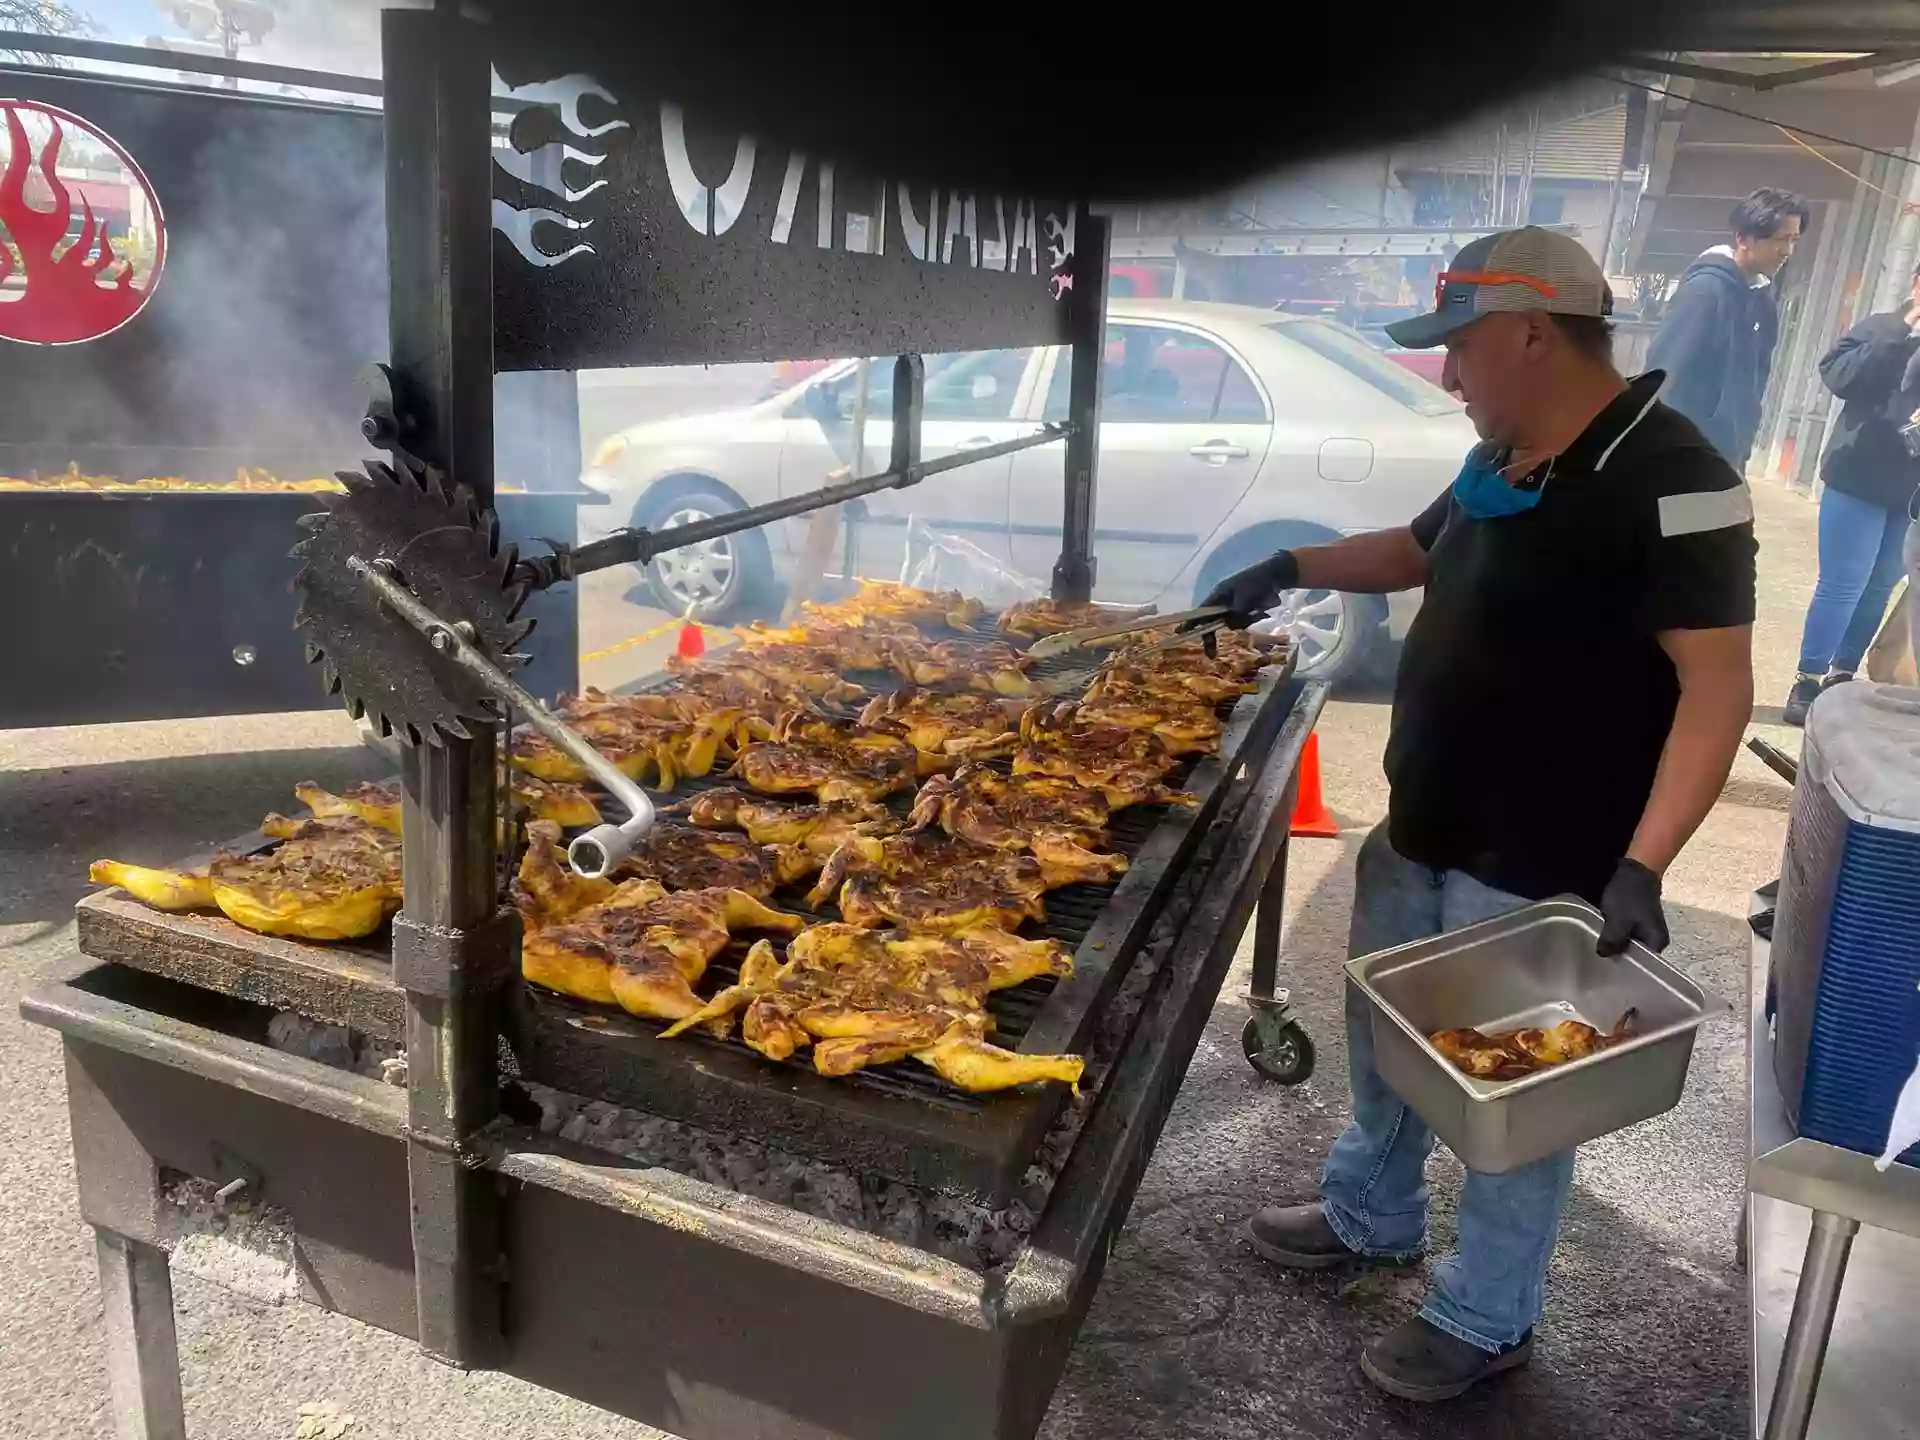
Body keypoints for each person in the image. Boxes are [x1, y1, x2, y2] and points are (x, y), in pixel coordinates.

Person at [1201, 228, 1756, 1402]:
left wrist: (1648, 864)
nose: (1447, 377)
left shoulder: (1682, 479)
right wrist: (1288, 563)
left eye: (1458, 350)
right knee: (1383, 1045)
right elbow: (1414, 551)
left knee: (1511, 1099)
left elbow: (1718, 687)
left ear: (1529, 334)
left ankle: (1486, 1312)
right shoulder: (1507, 457)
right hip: (1425, 821)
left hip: (1543, 860)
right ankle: (1371, 1214)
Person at [1781, 268, 1920, 723]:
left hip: (1910, 490)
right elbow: (1839, 376)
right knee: (1842, 584)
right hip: (1856, 476)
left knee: (1879, 587)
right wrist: (1906, 325)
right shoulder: (1881, 328)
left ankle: (1842, 674)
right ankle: (1807, 678)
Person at [1647, 187, 1808, 470]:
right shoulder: (1704, 293)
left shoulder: (1763, 303)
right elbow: (1664, 380)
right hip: (1683, 462)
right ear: (1743, 238)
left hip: (1726, 461)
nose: (1787, 251)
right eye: (1779, 239)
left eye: (1794, 239)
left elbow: (1752, 388)